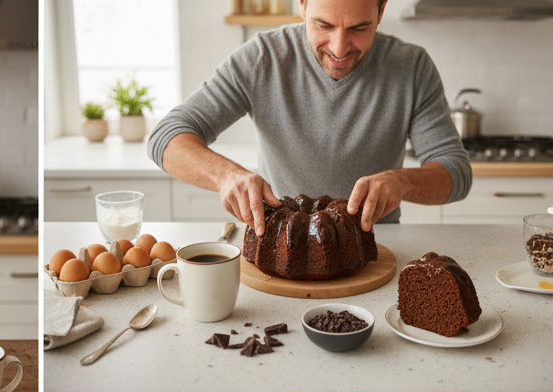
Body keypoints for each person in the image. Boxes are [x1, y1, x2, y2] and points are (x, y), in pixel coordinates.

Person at [147, 0, 471, 234]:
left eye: (359, 28)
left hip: (377, 246)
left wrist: (401, 181)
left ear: (381, 10)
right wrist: (225, 176)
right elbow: (166, 137)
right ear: (302, 5)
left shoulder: (411, 67)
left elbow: (456, 172)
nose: (340, 48)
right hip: (279, 241)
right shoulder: (263, 58)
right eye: (323, 25)